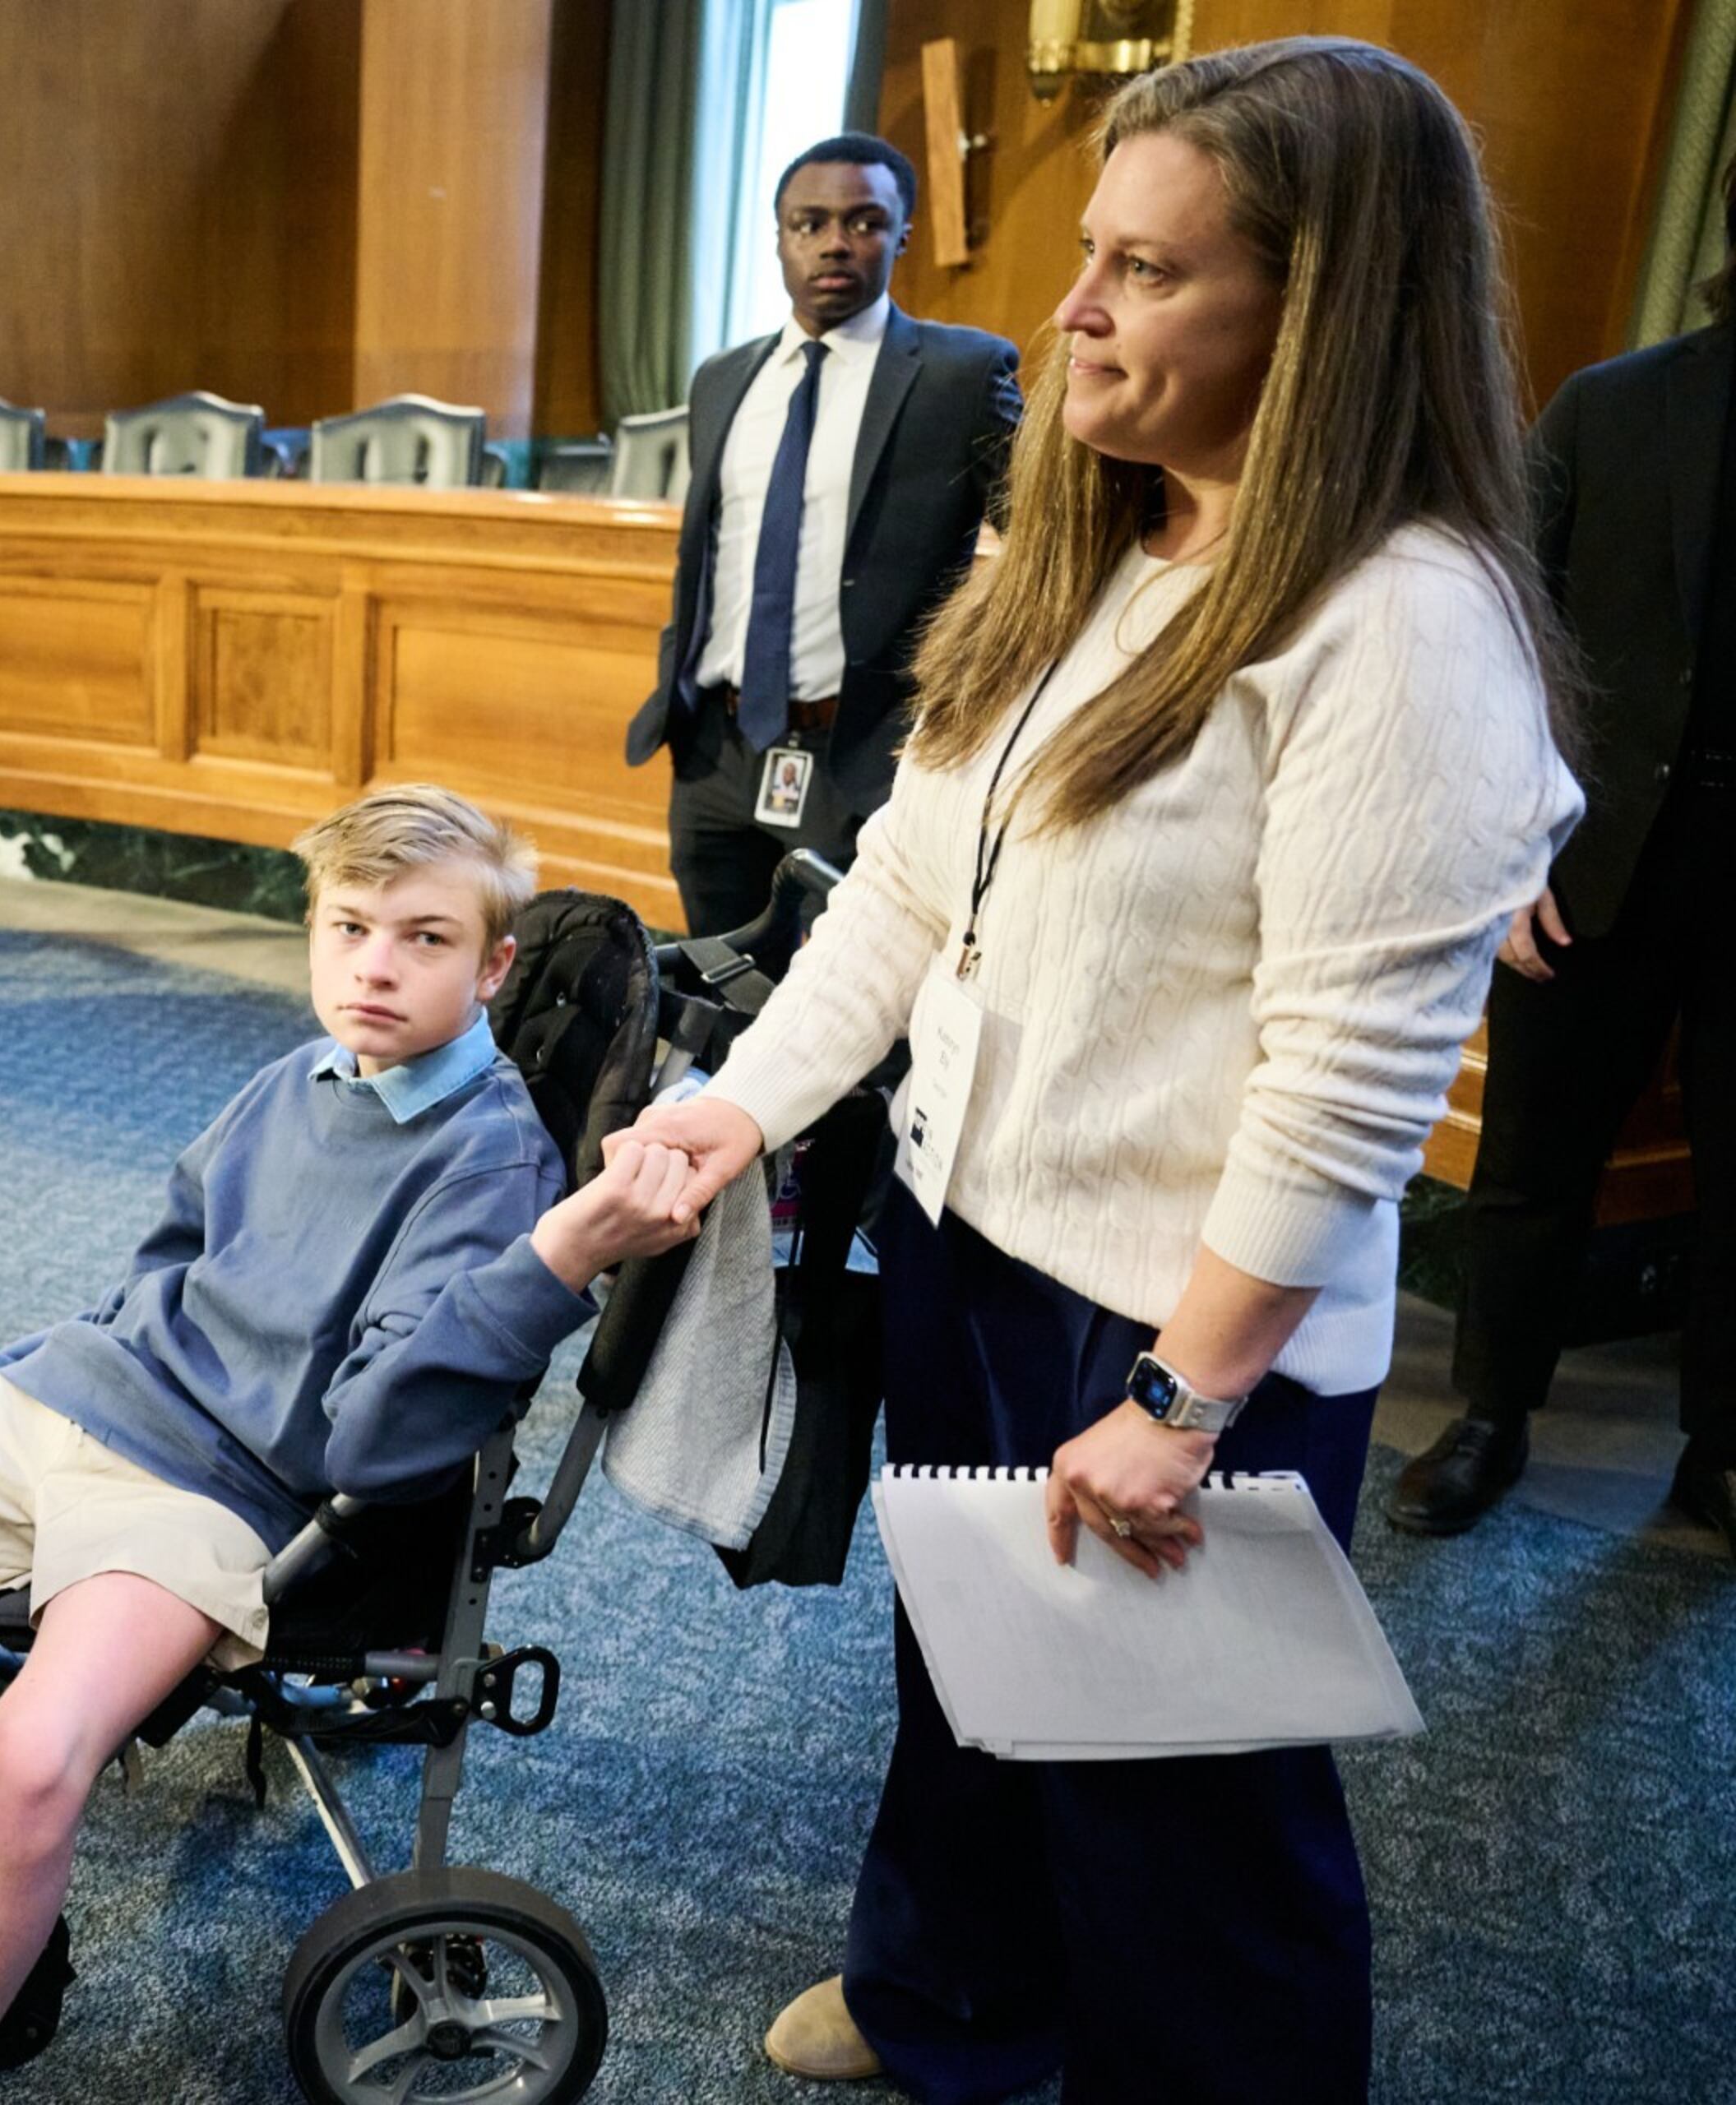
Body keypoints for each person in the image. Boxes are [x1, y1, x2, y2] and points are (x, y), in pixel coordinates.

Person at [621, 39, 1582, 2103]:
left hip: (1175, 1310)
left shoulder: (1400, 624)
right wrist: (737, 1105)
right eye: (1088, 257)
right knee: (968, 1680)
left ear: (1311, 314)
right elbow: (897, 885)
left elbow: (1349, 1079)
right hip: (974, 1232)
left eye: (1145, 272)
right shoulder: (1092, 540)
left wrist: (1182, 1394)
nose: (1071, 309)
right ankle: (947, 1993)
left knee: (1182, 1823)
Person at [0, 784, 703, 2105]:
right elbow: (176, 1234)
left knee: (28, 1765)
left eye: (425, 939)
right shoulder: (303, 1072)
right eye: (349, 929)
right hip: (84, 1391)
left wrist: (557, 1255)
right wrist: (105, 1347)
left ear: (495, 966)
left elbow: (380, 1440)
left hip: (216, 1487)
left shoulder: (488, 1158)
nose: (375, 968)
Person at [1385, 158, 1736, 1553]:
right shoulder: (1616, 403)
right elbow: (1497, 634)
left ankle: (1721, 1447)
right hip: (1589, 854)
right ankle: (1491, 1417)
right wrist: (1511, 843)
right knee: (1533, 1160)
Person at [623, 132, 1022, 937]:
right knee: (718, 976)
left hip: (861, 754)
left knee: (848, 997)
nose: (835, 242)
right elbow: (710, 556)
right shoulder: (723, 379)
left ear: (902, 233)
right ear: (778, 237)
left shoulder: (959, 375)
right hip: (716, 749)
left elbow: (1049, 535)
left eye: (864, 222)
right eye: (810, 223)